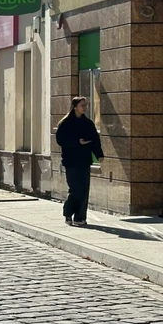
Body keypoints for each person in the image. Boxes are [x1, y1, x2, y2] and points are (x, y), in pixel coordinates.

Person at [55, 96, 104, 227]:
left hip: (84, 160)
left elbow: (95, 139)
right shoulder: (65, 123)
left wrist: (99, 154)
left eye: (86, 105)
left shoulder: (88, 123)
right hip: (70, 161)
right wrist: (77, 143)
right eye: (83, 105)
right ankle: (68, 213)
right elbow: (60, 140)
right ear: (75, 106)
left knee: (84, 189)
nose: (85, 107)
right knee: (75, 189)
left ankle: (80, 217)